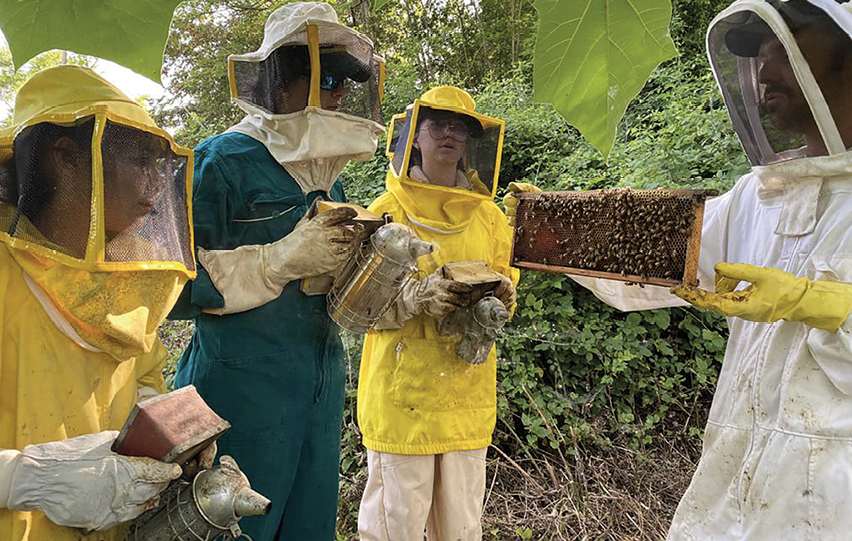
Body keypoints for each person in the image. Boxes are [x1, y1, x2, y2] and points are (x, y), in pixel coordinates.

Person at [507, 0, 852, 538]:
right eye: (757, 50)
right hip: (734, 480)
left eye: (783, 43)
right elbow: (658, 262)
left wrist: (825, 304)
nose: (762, 67)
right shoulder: (759, 197)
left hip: (832, 497)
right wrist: (552, 231)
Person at [168, 2, 386, 539]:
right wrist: (275, 260)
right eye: (326, 78)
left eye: (345, 81)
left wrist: (388, 279)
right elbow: (168, 285)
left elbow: (334, 281)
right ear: (282, 82)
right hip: (237, 393)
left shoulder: (327, 175)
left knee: (307, 526)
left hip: (320, 385)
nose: (337, 94)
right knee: (234, 528)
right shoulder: (221, 160)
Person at [0, 65, 199, 540]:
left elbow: (145, 375)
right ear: (69, 157)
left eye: (159, 164)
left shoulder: (131, 276)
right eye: (141, 160)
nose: (156, 181)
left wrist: (169, 435)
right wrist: (23, 478)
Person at [357, 86, 520, 541]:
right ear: (414, 135)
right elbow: (358, 309)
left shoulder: (489, 217)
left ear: (470, 142)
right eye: (437, 125)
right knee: (395, 531)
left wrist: (503, 296)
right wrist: (414, 298)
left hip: (466, 394)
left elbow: (508, 280)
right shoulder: (384, 213)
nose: (448, 135)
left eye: (458, 128)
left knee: (462, 531)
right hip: (401, 397)